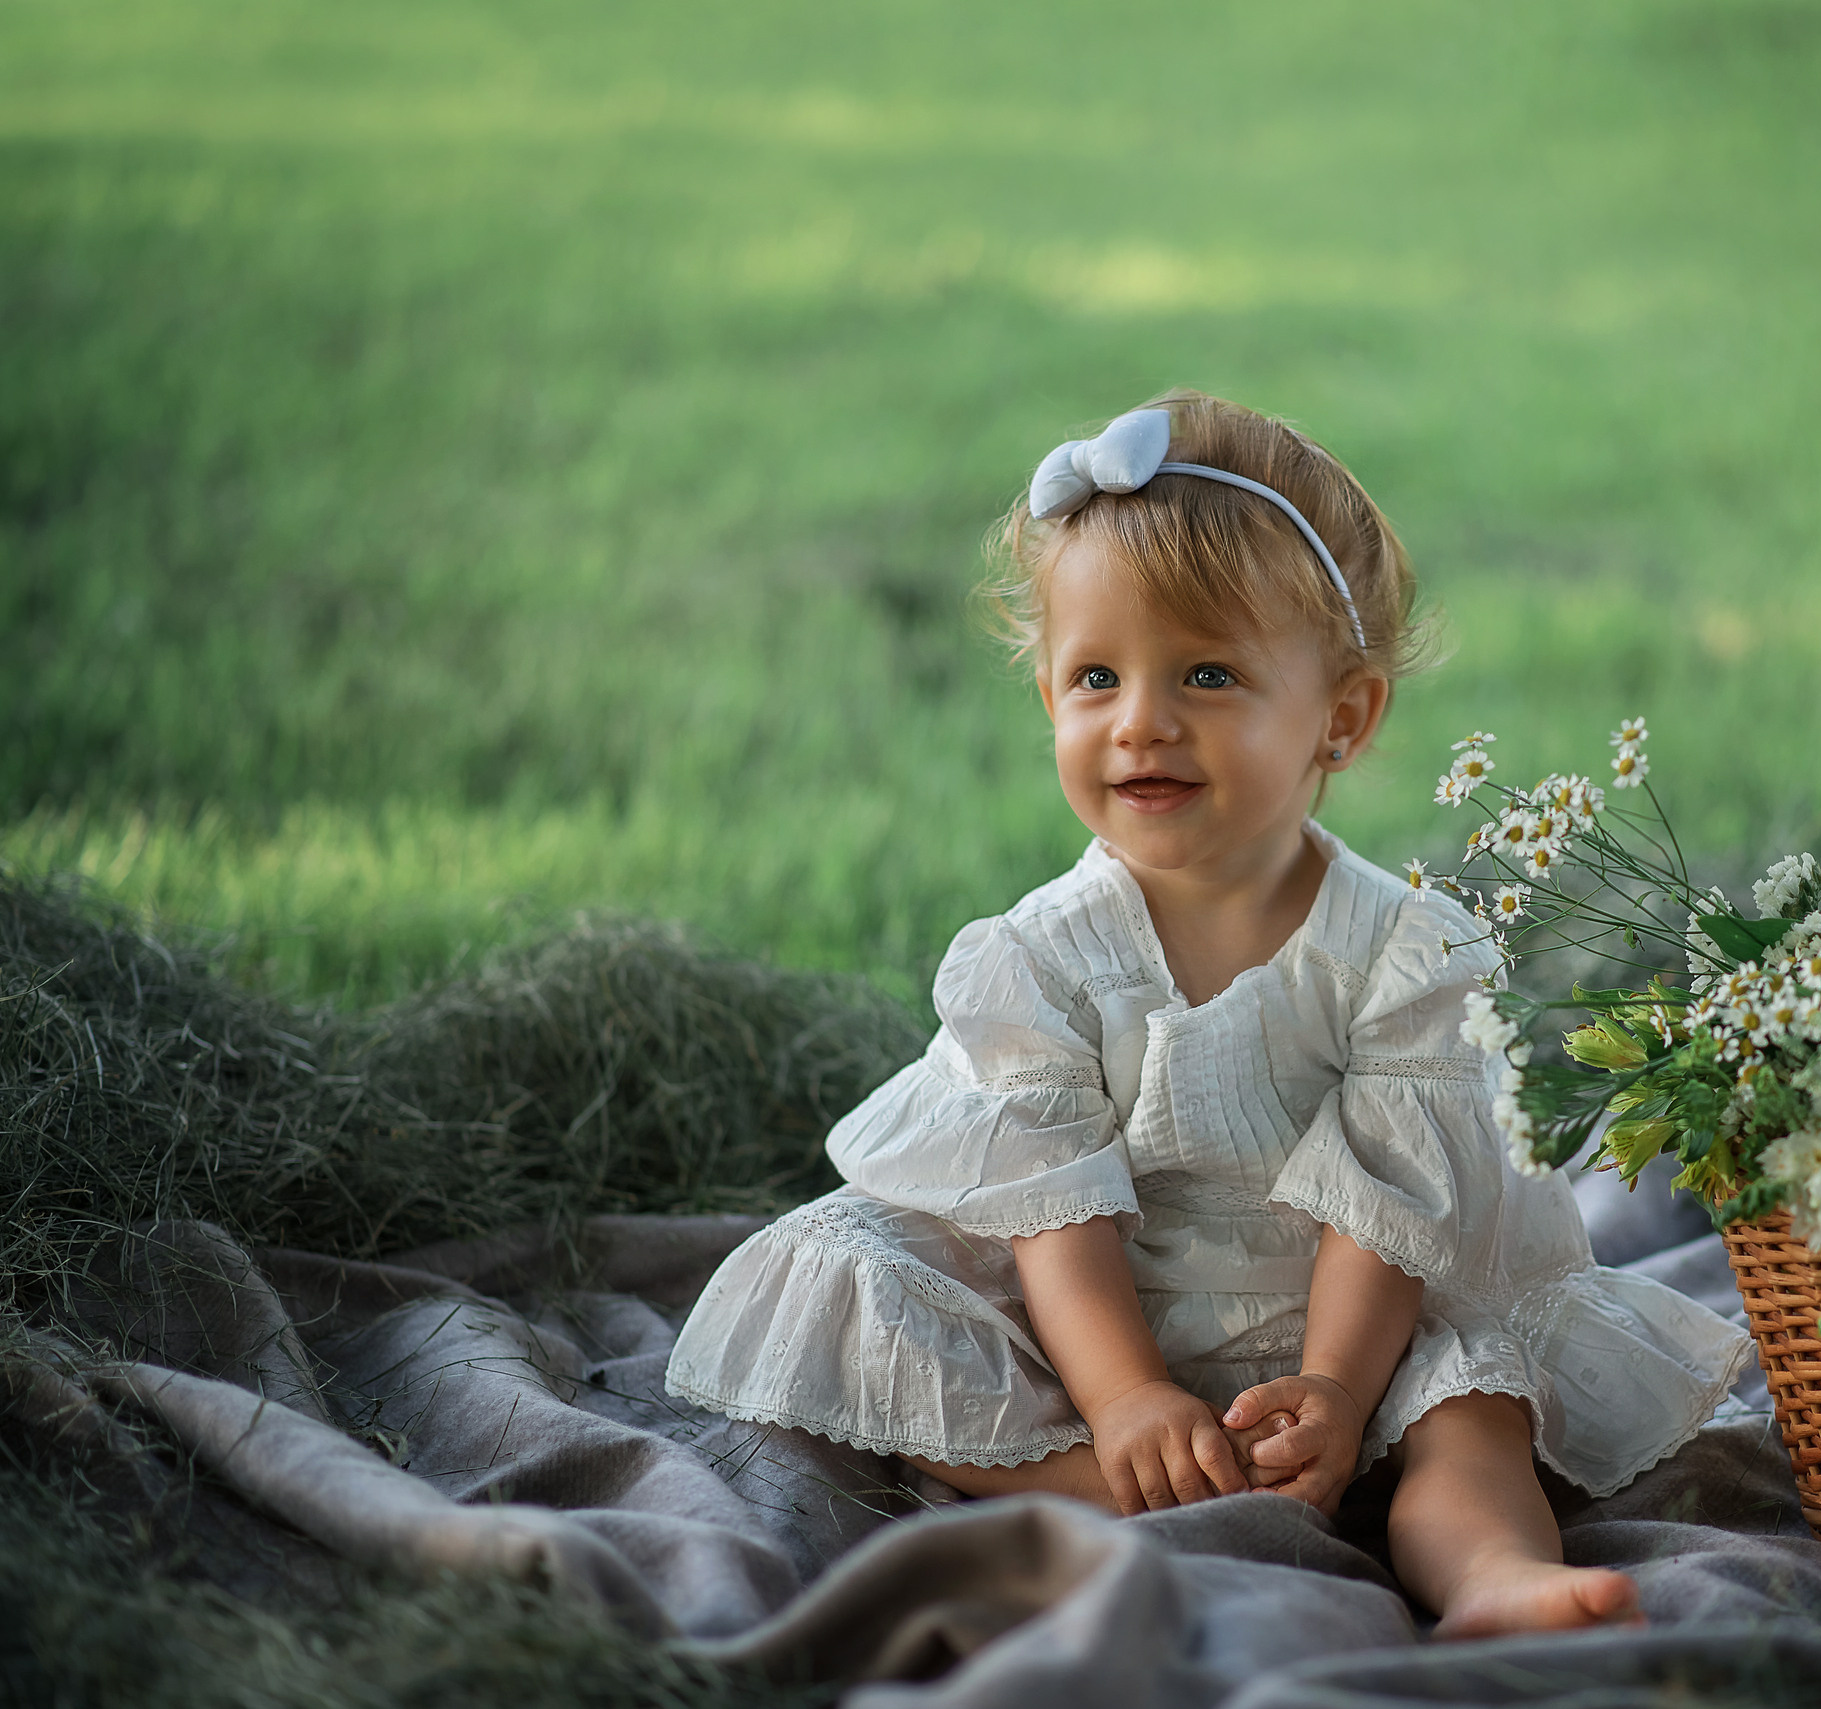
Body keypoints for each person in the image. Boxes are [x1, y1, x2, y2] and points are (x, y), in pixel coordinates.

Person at [666, 390, 1749, 1637]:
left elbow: (1390, 1201)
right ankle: (1115, 1480)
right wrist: (1126, 1396)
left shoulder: (1400, 948)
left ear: (1341, 715)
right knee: (875, 1303)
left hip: (1349, 1316)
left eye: (1208, 672)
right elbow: (1052, 1211)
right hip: (1093, 1317)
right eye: (1094, 676)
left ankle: (1488, 1570)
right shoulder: (1040, 959)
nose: (1141, 720)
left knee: (1473, 1404)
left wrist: (1340, 1390)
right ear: (1047, 697)